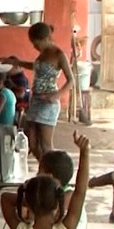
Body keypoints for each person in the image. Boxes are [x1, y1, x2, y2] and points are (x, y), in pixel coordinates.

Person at [14, 23, 74, 161]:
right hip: (36, 101)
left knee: (46, 145)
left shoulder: (59, 54)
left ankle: (52, 173)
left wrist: (57, 95)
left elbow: (71, 80)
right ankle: (45, 167)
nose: (34, 47)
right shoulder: (42, 54)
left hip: (48, 103)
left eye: (36, 43)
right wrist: (17, 62)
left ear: (46, 38)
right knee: (33, 143)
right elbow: (36, 67)